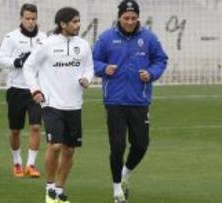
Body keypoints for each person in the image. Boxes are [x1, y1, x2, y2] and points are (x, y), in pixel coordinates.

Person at [93, 0, 168, 202]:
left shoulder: (149, 38)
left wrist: (151, 73)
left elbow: (161, 59)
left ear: (138, 18)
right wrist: (103, 69)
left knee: (141, 145)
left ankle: (125, 173)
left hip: (139, 100)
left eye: (133, 18)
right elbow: (92, 60)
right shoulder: (106, 38)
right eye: (126, 17)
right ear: (119, 17)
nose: (129, 21)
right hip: (114, 101)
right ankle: (117, 189)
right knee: (117, 146)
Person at [23, 7, 94, 203]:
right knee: (55, 146)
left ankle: (60, 191)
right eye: (74, 22)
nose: (77, 25)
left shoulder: (84, 45)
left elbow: (89, 68)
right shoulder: (47, 44)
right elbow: (29, 67)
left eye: (78, 21)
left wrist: (87, 79)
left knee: (69, 150)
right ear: (62, 24)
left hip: (75, 105)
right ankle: (50, 189)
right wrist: (35, 90)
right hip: (52, 104)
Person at [0, 4, 47, 178]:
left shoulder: (44, 38)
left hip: (36, 90)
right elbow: (0, 58)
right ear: (21, 18)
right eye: (27, 18)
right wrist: (16, 62)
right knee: (15, 130)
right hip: (16, 89)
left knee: (35, 126)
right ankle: (17, 162)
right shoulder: (12, 37)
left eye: (33, 18)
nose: (31, 22)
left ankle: (31, 165)